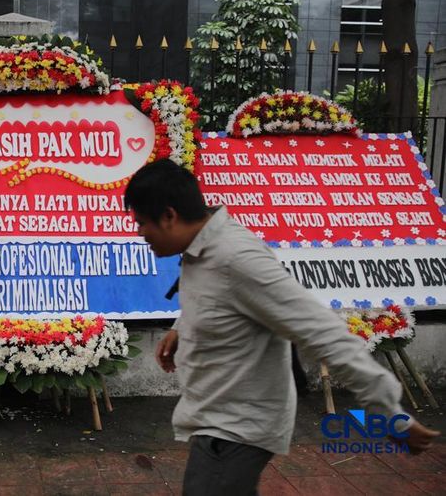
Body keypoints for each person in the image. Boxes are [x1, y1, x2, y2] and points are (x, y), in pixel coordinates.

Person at [123, 159, 440, 495]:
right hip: (214, 415)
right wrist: (181, 326)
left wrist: (388, 411)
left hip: (237, 428)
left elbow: (319, 329)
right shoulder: (201, 248)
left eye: (143, 223)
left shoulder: (237, 258)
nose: (140, 233)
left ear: (170, 216)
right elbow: (219, 296)